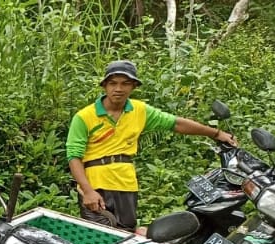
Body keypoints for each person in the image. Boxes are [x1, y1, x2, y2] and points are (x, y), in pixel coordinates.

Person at [67, 60, 238, 230]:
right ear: (104, 85)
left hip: (125, 183)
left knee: (126, 233)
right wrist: (87, 190)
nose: (118, 89)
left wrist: (216, 133)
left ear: (134, 86)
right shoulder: (84, 117)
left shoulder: (139, 110)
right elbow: (74, 156)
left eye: (125, 83)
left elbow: (176, 123)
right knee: (100, 235)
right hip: (95, 183)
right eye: (113, 83)